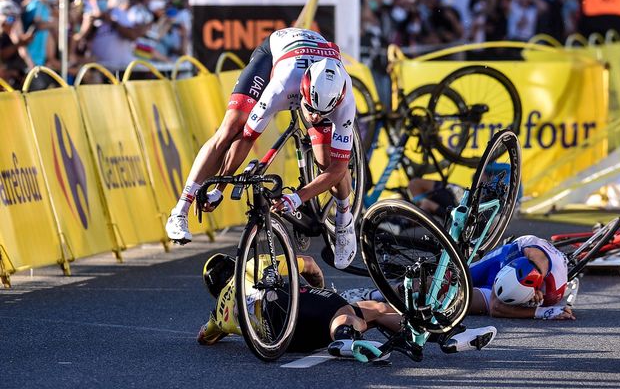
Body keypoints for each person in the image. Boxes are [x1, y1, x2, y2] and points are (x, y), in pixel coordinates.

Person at [164, 27, 359, 269]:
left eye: (322, 114)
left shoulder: (345, 99)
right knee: (231, 128)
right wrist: (220, 187)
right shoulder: (282, 84)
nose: (314, 117)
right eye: (309, 109)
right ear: (302, 92)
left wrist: (296, 198)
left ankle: (344, 219)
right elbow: (246, 138)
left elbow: (339, 169)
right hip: (279, 53)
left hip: (319, 62)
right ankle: (180, 210)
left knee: (327, 162)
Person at [197, 253, 497, 355]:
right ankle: (345, 340)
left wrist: (219, 329)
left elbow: (204, 337)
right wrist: (321, 290)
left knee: (375, 312)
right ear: (232, 265)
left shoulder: (217, 315)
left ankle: (442, 337)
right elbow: (309, 264)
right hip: (284, 309)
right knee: (344, 309)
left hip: (288, 342)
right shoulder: (249, 265)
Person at [343, 235, 576, 321]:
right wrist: (537, 313)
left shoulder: (552, 294)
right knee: (439, 284)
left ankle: (382, 308)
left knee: (450, 302)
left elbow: (495, 307)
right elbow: (498, 304)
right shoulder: (525, 255)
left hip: (520, 277)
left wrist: (542, 310)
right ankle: (372, 294)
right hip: (500, 262)